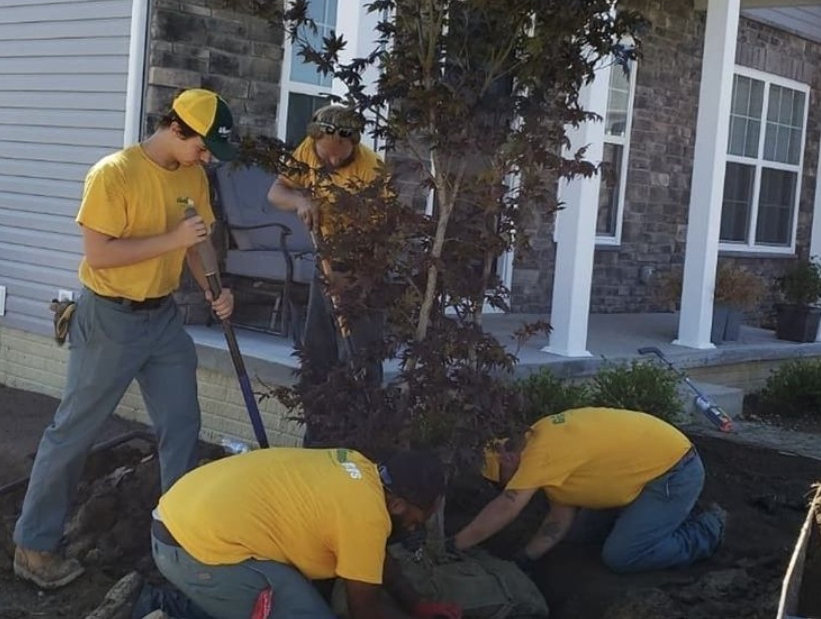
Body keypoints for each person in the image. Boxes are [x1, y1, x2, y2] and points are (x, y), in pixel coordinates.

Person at [13, 88, 238, 590]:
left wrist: (215, 291)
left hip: (162, 320)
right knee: (74, 432)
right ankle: (33, 545)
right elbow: (101, 256)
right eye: (203, 147)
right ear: (178, 128)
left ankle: (180, 536)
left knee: (182, 424)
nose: (206, 159)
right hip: (109, 317)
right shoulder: (113, 174)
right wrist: (174, 241)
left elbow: (197, 245)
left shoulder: (193, 175)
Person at [152, 445, 462, 619]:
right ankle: (174, 606)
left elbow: (373, 556)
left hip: (181, 519)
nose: (414, 528)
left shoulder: (359, 467)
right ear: (396, 505)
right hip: (191, 551)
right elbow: (363, 610)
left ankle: (181, 605)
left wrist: (416, 604)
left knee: (296, 596)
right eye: (417, 519)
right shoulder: (366, 517)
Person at [452, 407, 726, 574]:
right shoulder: (539, 446)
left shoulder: (541, 454)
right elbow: (560, 516)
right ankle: (655, 518)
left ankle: (706, 529)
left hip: (674, 471)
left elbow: (507, 506)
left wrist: (455, 545)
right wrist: (526, 558)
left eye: (501, 480)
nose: (504, 486)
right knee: (577, 535)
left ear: (506, 458)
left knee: (621, 557)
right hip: (642, 471)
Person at [267, 104, 386, 388]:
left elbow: (381, 235)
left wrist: (348, 280)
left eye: (340, 152)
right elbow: (276, 192)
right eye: (325, 152)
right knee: (318, 352)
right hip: (325, 259)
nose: (331, 159)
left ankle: (361, 420)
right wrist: (300, 201)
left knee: (358, 353)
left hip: (363, 267)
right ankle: (319, 423)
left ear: (353, 143)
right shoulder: (307, 150)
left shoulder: (371, 170)